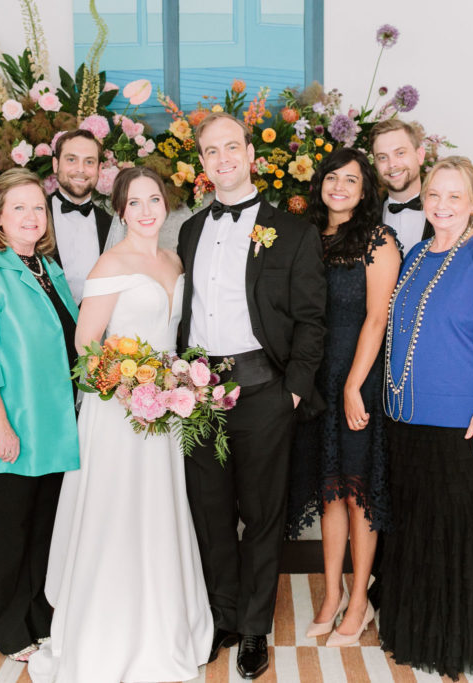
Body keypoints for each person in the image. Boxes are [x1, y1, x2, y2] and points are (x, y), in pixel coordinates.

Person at [30, 166, 213, 682]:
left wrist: (176, 386)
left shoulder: (174, 260)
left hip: (166, 411)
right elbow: (85, 346)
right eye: (135, 202)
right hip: (118, 413)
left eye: (154, 199)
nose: (147, 210)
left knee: (158, 511)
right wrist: (132, 389)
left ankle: (164, 623)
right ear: (121, 211)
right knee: (117, 512)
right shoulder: (110, 263)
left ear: (165, 204)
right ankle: (108, 631)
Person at [178, 112, 327, 679]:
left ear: (250, 155)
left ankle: (255, 627)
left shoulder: (292, 231)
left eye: (231, 147)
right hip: (198, 393)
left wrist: (293, 392)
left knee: (263, 515)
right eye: (211, 151)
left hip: (265, 390)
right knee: (210, 512)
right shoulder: (190, 230)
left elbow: (311, 320)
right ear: (202, 162)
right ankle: (223, 616)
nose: (223, 159)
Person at [375, 156, 473, 680]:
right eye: (434, 195)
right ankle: (422, 632)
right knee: (419, 532)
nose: (442, 205)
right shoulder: (417, 254)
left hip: (465, 424)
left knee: (461, 536)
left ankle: (461, 643)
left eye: (454, 196)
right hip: (408, 420)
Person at [0, 168, 81, 662]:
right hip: (8, 424)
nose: (30, 217)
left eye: (38, 208)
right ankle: (8, 626)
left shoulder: (49, 269)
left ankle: (39, 617)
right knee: (9, 534)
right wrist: (0, 426)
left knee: (43, 531)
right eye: (19, 208)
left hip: (53, 427)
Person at [285, 148, 401, 647]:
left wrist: (354, 385)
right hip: (316, 381)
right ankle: (332, 595)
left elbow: (377, 318)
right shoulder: (307, 236)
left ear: (365, 189)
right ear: (320, 183)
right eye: (332, 177)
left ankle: (359, 601)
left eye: (351, 180)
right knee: (329, 491)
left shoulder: (379, 239)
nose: (340, 186)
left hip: (359, 379)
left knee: (357, 493)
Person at [50, 129, 115, 303]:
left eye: (89, 162)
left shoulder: (110, 224)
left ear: (99, 169)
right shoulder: (33, 217)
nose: (80, 169)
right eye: (71, 160)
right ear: (56, 164)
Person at [370, 118, 434, 253]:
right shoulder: (366, 218)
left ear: (419, 155)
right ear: (375, 164)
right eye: (382, 157)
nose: (392, 164)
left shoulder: (451, 212)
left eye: (400, 153)